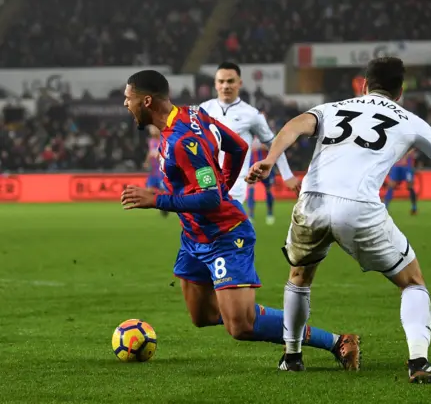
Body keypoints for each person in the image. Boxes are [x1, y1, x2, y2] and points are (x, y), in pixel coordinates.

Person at [246, 57, 431, 383]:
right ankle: (418, 363)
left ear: (363, 84)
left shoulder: (331, 108)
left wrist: (271, 159)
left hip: (311, 202)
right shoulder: (411, 121)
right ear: (400, 91)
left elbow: (292, 126)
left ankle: (292, 357)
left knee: (299, 277)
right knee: (412, 282)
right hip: (359, 208)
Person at [120, 70, 360, 369]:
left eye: (128, 99)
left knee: (240, 327)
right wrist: (222, 183)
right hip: (195, 237)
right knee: (202, 316)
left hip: (225, 235)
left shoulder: (184, 139)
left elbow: (210, 199)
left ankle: (337, 341)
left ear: (146, 100)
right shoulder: (192, 115)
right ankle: (244, 311)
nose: (125, 104)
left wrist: (156, 199)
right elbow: (238, 146)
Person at [200, 62, 300, 205]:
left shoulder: (252, 114)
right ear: (215, 84)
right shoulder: (203, 109)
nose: (225, 86)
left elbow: (273, 144)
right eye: (221, 81)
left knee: (228, 224)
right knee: (201, 225)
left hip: (235, 184)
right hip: (206, 180)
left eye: (230, 81)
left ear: (239, 83)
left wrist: (287, 174)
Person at [247, 138, 277, 224]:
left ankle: (270, 213)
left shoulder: (266, 134)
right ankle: (251, 215)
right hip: (253, 165)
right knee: (251, 190)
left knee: (268, 190)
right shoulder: (250, 135)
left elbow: (272, 147)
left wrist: (260, 146)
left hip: (266, 167)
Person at [144, 125, 168, 217]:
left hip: (161, 171)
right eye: (151, 129)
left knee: (163, 191)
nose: (151, 131)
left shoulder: (163, 139)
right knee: (149, 191)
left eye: (153, 129)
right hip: (153, 171)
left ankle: (164, 207)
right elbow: (150, 152)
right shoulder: (151, 141)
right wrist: (146, 162)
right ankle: (161, 203)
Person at [384, 149, 418, 214]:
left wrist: (406, 156)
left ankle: (414, 207)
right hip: (396, 166)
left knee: (410, 186)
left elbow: (414, 147)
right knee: (391, 185)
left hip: (407, 166)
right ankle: (385, 206)